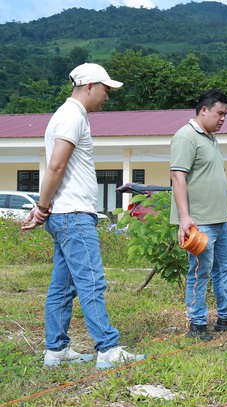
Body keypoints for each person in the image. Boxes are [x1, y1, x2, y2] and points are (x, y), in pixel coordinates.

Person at [22, 63, 145, 369]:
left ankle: (56, 350)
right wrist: (42, 206)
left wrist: (46, 209)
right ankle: (107, 348)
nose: (107, 97)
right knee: (91, 281)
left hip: (68, 215)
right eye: (105, 90)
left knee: (63, 286)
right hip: (73, 214)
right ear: (89, 86)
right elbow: (56, 166)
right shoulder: (71, 117)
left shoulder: (69, 116)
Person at [170, 89, 227, 341]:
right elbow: (178, 176)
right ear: (204, 110)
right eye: (220, 113)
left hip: (218, 220)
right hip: (199, 222)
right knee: (200, 271)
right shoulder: (186, 137)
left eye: (226, 114)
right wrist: (185, 218)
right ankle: (196, 324)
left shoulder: (210, 138)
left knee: (225, 267)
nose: (223, 119)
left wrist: (224, 213)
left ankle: (226, 316)